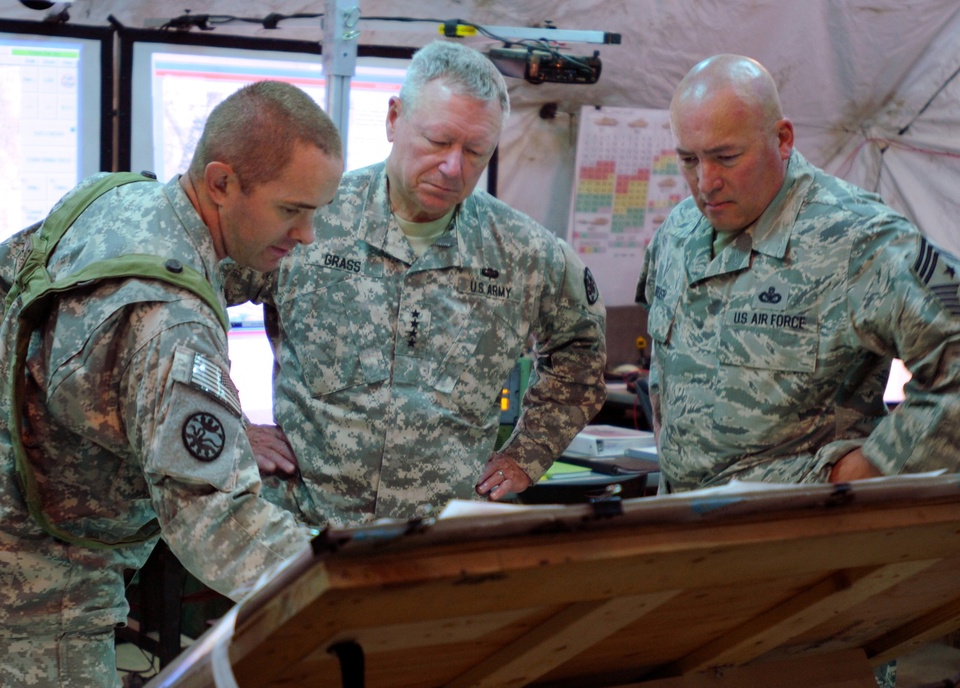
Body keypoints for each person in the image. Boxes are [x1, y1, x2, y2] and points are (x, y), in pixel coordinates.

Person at [0, 81, 343, 688]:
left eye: (316, 212)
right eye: (292, 210)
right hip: (34, 596)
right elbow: (218, 522)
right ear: (221, 183)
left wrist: (2, 427)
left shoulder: (113, 199)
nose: (307, 235)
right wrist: (352, 583)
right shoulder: (173, 321)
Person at [226, 40, 607, 527]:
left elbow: (583, 351)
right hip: (305, 533)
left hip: (441, 544)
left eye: (475, 152)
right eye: (437, 141)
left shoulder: (524, 254)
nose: (453, 168)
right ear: (393, 119)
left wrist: (527, 455)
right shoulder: (310, 217)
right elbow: (192, 304)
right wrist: (231, 424)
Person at [638, 54, 960, 491]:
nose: (706, 181)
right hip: (684, 530)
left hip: (800, 537)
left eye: (726, 157)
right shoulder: (677, 233)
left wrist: (870, 470)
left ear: (783, 138)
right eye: (688, 160)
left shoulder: (857, 238)